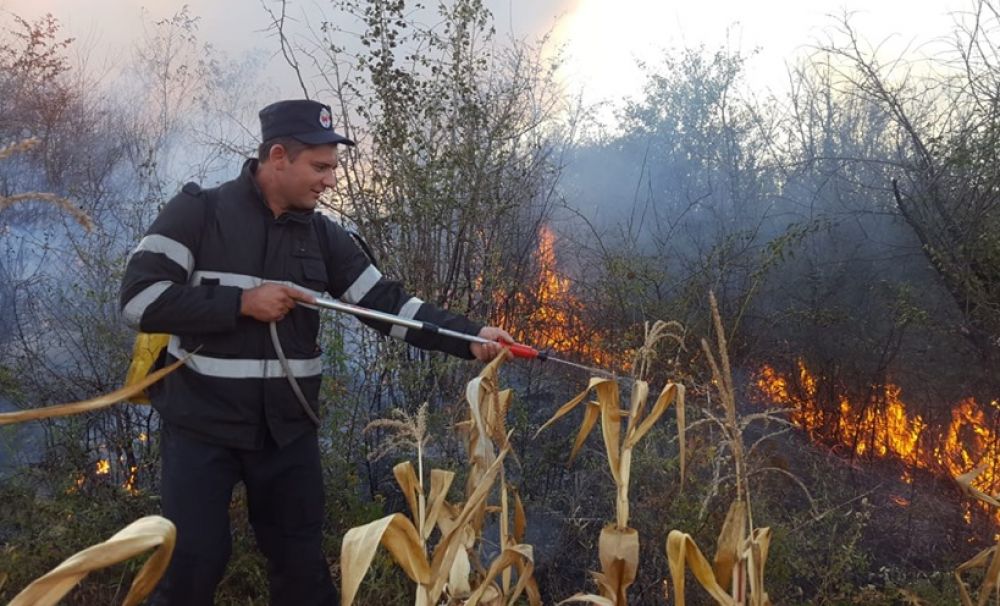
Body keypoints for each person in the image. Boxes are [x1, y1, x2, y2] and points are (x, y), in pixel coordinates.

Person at [119, 99, 512, 605]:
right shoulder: (199, 212)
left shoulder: (325, 237)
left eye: (332, 167)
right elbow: (137, 301)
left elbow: (387, 305)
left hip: (287, 435)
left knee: (302, 569)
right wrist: (240, 303)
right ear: (278, 156)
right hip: (200, 430)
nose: (330, 181)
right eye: (320, 167)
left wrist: (472, 336)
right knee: (190, 568)